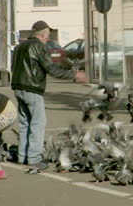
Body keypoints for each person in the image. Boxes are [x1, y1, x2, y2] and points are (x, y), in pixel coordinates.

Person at [11, 20, 87, 170]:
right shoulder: (39, 47)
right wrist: (73, 75)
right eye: (47, 34)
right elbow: (51, 69)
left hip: (18, 87)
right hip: (32, 88)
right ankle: (34, 158)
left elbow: (15, 66)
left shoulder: (20, 46)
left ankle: (22, 156)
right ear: (43, 33)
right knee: (38, 124)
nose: (48, 37)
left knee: (25, 123)